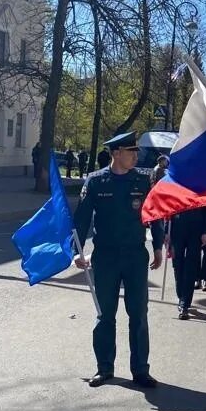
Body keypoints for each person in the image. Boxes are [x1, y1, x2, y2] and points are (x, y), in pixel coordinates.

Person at [73, 131, 165, 388]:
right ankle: (104, 368)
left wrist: (158, 246)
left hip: (135, 256)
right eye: (131, 152)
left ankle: (140, 370)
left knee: (138, 314)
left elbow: (153, 215)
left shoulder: (143, 181)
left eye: (136, 151)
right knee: (105, 315)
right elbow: (81, 219)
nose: (136, 156)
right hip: (106, 257)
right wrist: (76, 251)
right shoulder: (95, 182)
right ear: (116, 153)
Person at [171, 206, 206, 319]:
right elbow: (168, 207)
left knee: (191, 266)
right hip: (177, 228)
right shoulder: (175, 187)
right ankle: (181, 296)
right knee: (177, 265)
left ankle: (185, 303)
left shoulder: (200, 187)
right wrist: (166, 232)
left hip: (196, 229)